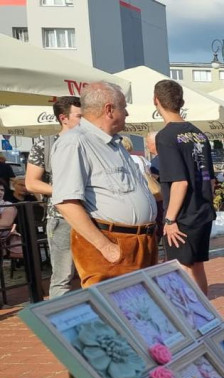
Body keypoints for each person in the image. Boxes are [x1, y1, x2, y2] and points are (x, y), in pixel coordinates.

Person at [51, 81, 158, 288]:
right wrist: (106, 247)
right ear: (109, 110)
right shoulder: (75, 142)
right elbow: (65, 202)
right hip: (111, 247)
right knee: (116, 313)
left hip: (140, 243)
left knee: (143, 314)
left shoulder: (114, 143)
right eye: (124, 107)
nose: (127, 114)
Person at [154, 79, 217, 295]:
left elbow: (180, 182)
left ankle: (193, 320)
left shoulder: (166, 136)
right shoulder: (199, 134)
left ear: (156, 101)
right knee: (196, 266)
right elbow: (211, 179)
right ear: (181, 101)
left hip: (183, 215)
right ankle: (206, 317)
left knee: (181, 269)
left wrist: (170, 219)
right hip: (202, 210)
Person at [24, 96, 82, 298]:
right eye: (79, 116)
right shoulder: (45, 145)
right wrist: (66, 191)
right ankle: (62, 324)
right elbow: (31, 183)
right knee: (62, 277)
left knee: (95, 272)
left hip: (95, 216)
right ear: (64, 118)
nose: (83, 121)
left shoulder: (90, 142)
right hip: (61, 217)